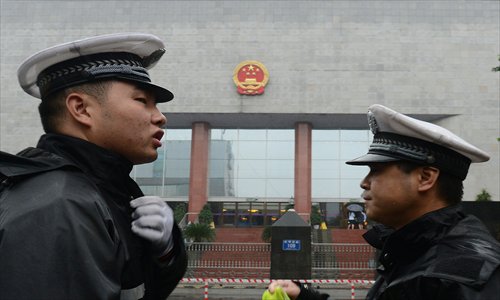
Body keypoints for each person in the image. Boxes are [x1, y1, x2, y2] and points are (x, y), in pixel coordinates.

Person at [0, 33, 187, 300]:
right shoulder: (58, 206)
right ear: (81, 109)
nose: (160, 117)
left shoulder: (101, 191)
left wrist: (166, 253)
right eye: (141, 101)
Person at [265, 104, 500, 299]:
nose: (364, 183)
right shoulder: (416, 251)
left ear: (425, 178)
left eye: (376, 171)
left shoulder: (453, 279)